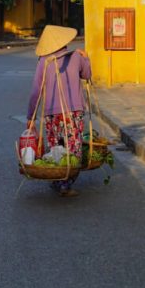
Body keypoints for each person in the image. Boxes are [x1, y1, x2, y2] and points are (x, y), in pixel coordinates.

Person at [26, 25, 91, 197]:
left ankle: (58, 181)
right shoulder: (76, 57)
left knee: (56, 148)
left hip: (51, 114)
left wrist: (30, 116)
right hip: (73, 113)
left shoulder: (43, 62)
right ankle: (66, 184)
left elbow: (36, 91)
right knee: (72, 148)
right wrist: (86, 58)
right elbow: (87, 75)